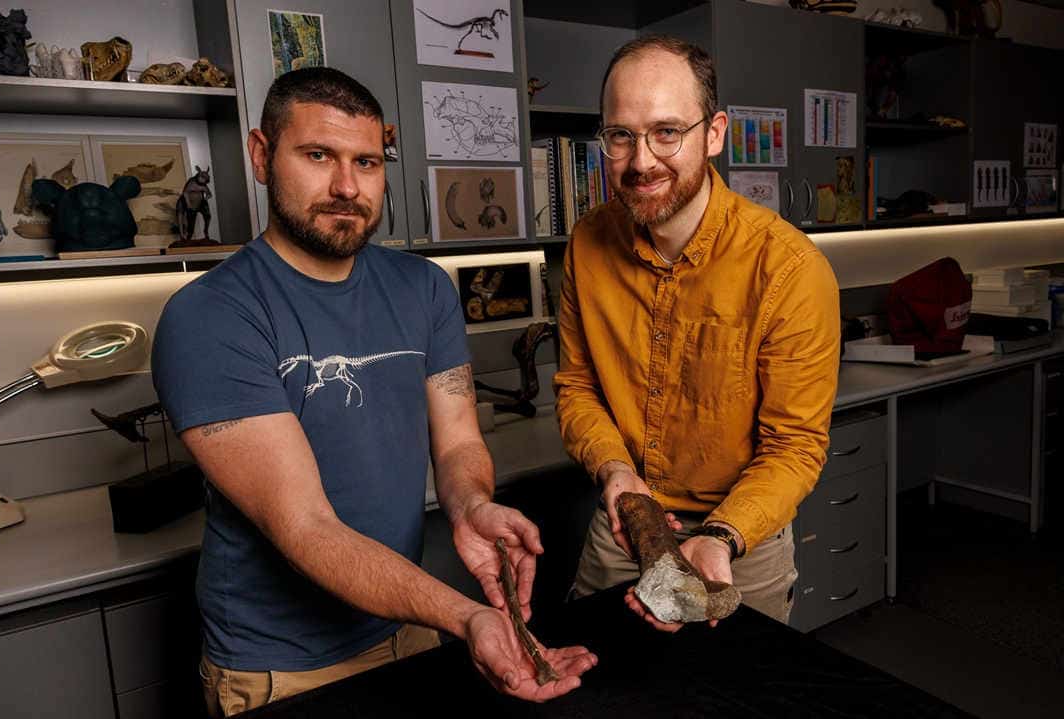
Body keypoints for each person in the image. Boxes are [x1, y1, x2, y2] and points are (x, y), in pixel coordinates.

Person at [152, 67, 595, 717]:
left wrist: (472, 503)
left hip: (404, 628)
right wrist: (465, 615)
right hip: (279, 669)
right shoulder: (210, 317)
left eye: (366, 161)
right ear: (260, 155)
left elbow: (459, 442)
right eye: (317, 155)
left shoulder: (427, 289)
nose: (346, 186)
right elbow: (305, 526)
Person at [553, 36, 840, 630]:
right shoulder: (586, 243)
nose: (641, 162)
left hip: (740, 540)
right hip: (624, 526)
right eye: (621, 135)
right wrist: (617, 474)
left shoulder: (788, 268)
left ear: (714, 134)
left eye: (666, 133)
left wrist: (718, 538)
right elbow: (577, 386)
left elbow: (795, 446)